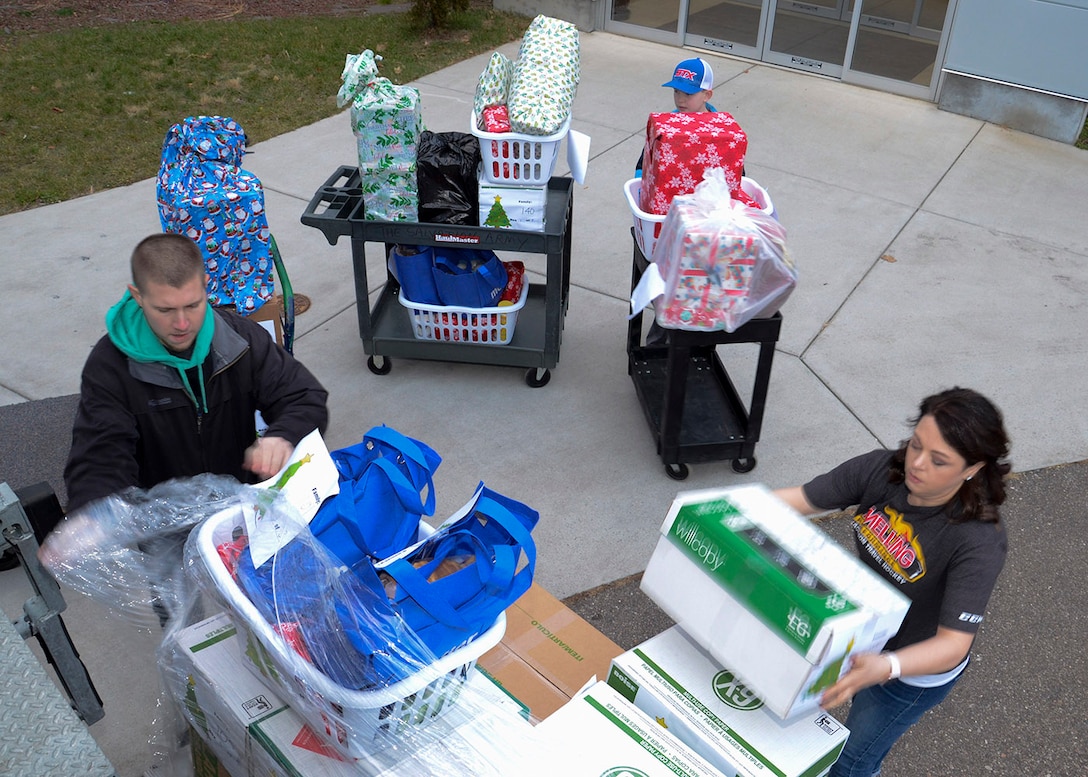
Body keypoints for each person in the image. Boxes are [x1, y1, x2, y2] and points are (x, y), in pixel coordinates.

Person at [42, 233, 329, 559]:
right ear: (137, 295)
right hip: (163, 531)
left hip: (238, 517)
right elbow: (101, 452)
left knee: (248, 596)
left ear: (206, 285)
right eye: (165, 309)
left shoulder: (239, 339)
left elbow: (304, 396)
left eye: (193, 305)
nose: (182, 323)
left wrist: (282, 436)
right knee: (179, 606)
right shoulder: (110, 366)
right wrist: (94, 513)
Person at [774, 387, 1010, 777]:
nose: (916, 464)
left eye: (939, 461)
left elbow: (953, 645)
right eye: (916, 444)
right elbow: (799, 498)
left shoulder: (979, 539)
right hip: (860, 633)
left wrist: (886, 667)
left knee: (849, 760)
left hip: (912, 669)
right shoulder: (881, 470)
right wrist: (714, 509)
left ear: (973, 468)